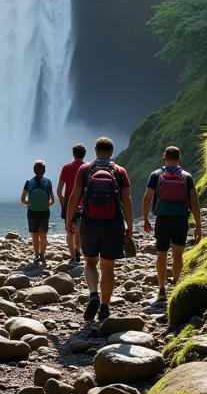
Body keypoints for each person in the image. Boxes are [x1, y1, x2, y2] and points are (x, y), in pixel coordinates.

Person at [65, 136, 133, 323]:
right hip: (113, 223)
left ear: (95, 150)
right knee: (108, 267)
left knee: (90, 262)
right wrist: (130, 227)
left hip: (89, 222)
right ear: (112, 151)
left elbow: (73, 196)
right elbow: (127, 200)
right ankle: (104, 307)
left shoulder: (85, 169)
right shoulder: (120, 171)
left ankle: (93, 293)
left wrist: (69, 221)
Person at [142, 145, 202, 300]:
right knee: (178, 255)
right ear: (179, 158)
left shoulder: (156, 174)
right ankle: (175, 284)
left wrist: (145, 218)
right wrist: (198, 226)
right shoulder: (187, 176)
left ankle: (162, 289)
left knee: (161, 253)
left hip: (162, 219)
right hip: (181, 220)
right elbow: (194, 203)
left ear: (164, 157)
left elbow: (147, 197)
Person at [21, 159, 54, 266]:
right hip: (44, 212)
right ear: (44, 170)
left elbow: (22, 199)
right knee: (43, 235)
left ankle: (36, 255)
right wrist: (46, 205)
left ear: (33, 170)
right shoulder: (48, 182)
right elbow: (53, 200)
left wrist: (29, 204)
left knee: (34, 235)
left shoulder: (28, 182)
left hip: (32, 212)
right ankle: (42, 255)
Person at [57, 143, 86, 264]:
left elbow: (59, 190)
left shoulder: (66, 168)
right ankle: (78, 252)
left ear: (73, 154)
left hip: (69, 201)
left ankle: (72, 255)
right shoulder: (87, 167)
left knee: (69, 230)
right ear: (84, 154)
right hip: (83, 202)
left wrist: (63, 203)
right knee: (79, 231)